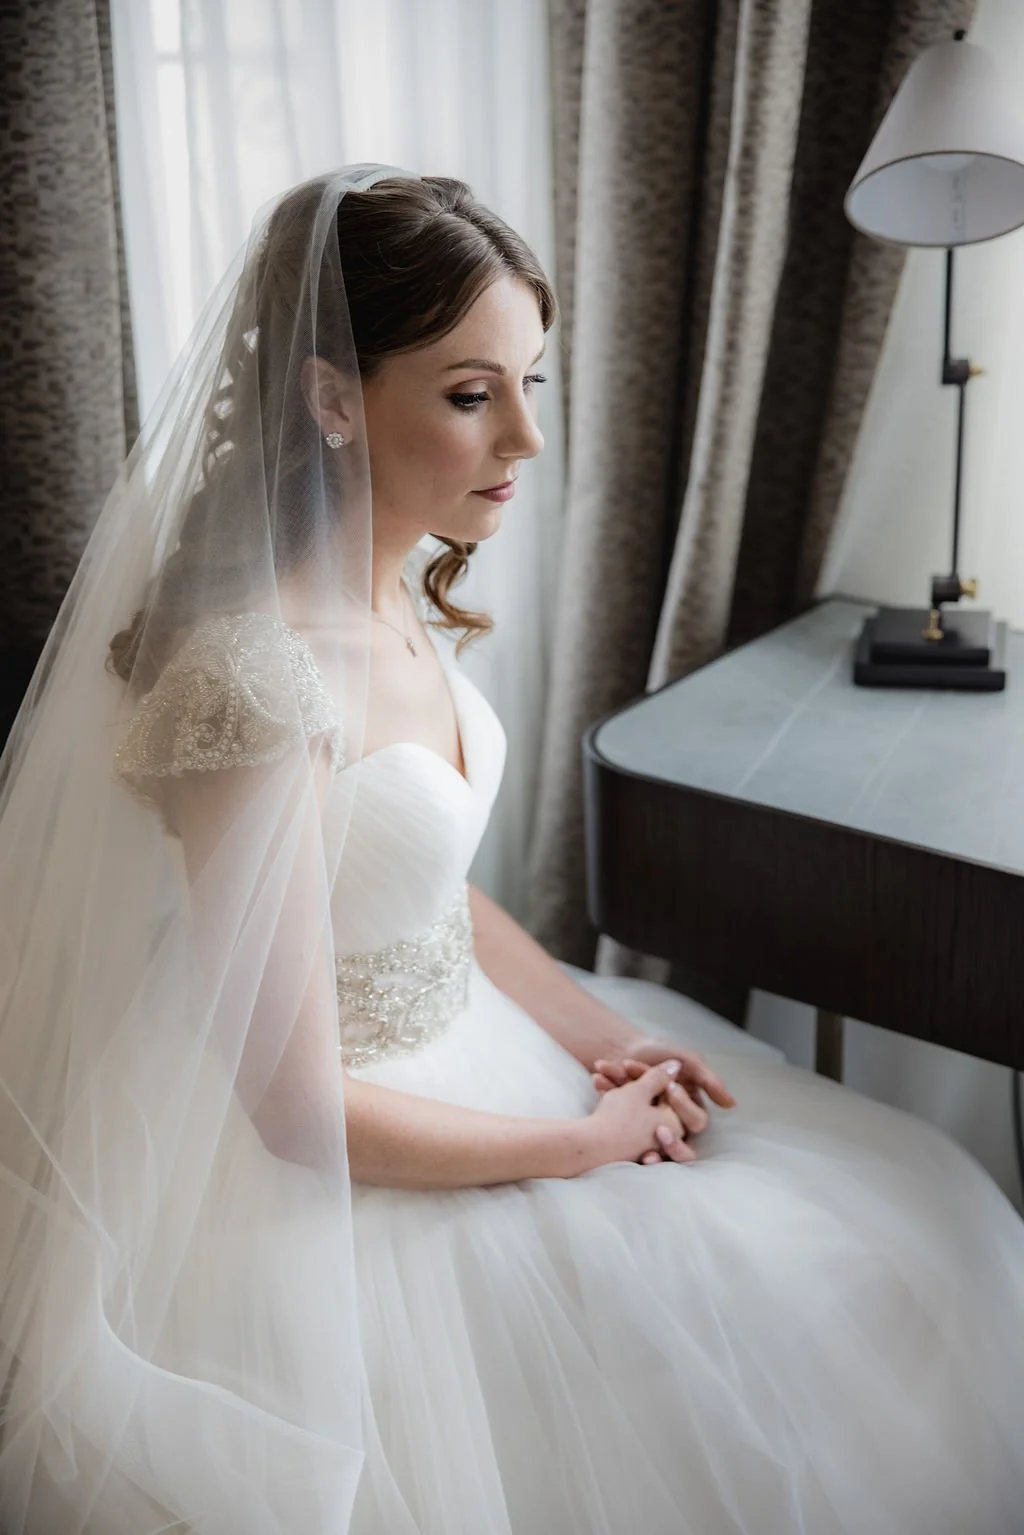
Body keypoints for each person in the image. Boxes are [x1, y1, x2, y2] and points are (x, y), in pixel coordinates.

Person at [0, 164, 1021, 1535]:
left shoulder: (401, 594)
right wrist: (578, 1144)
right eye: (475, 394)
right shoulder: (254, 681)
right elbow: (297, 1113)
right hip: (334, 1170)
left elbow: (424, 894)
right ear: (333, 398)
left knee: (919, 1225)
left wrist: (598, 1030)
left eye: (532, 383)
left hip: (484, 1049)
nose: (528, 441)